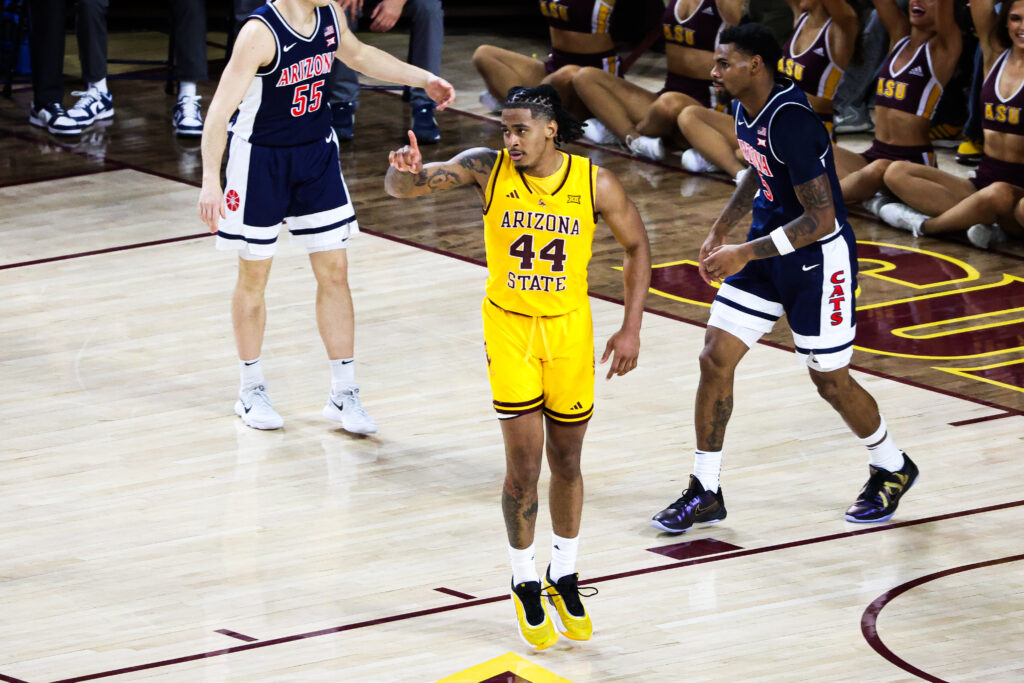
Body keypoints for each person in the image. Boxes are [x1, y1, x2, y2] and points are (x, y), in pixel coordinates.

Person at [385, 85, 650, 649]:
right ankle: (524, 578)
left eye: (519, 130)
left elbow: (637, 247)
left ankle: (567, 572)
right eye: (504, 130)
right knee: (523, 468)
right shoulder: (488, 169)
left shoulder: (594, 182)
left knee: (570, 461)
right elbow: (406, 189)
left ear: (550, 129)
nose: (510, 140)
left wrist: (631, 327)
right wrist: (404, 172)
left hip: (569, 330)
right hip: (509, 329)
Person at [651, 24, 917, 536]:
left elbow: (820, 219)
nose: (714, 71)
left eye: (724, 62)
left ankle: (891, 465)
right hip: (763, 249)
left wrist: (741, 252)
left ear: (755, 64)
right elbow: (756, 167)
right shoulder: (744, 107)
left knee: (830, 381)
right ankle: (706, 488)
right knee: (714, 357)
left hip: (818, 261)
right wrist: (721, 225)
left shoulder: (794, 120)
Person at [197, 0, 454, 432]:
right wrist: (209, 179)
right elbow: (221, 110)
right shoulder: (260, 32)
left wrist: (423, 79)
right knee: (254, 276)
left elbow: (360, 56)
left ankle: (343, 393)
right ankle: (250, 388)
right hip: (260, 159)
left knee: (335, 271)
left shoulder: (330, 16)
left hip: (316, 154)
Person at [875, 0, 1024, 248]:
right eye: (1016, 18)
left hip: (1016, 195)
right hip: (981, 184)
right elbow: (980, 5)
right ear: (1005, 22)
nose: (1021, 27)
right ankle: (983, 222)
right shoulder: (994, 55)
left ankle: (923, 225)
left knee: (1002, 195)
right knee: (896, 171)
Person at [679, 0, 859, 179]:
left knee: (754, 151)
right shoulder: (801, 19)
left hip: (807, 131)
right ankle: (740, 173)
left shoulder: (839, 31)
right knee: (690, 115)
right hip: (767, 126)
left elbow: (847, 14)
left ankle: (727, 158)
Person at [571, 0, 745, 161]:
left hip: (706, 105)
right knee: (586, 77)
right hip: (665, 97)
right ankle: (634, 139)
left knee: (669, 103)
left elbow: (735, 16)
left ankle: (621, 130)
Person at [834, 0, 961, 205]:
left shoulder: (944, 48)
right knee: (818, 147)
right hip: (875, 154)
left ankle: (815, 204)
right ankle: (872, 199)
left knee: (879, 169)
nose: (917, 2)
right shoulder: (899, 37)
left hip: (910, 161)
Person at [472, 0, 620, 119]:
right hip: (553, 68)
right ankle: (525, 110)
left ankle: (516, 106)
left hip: (592, 78)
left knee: (567, 74)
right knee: (484, 54)